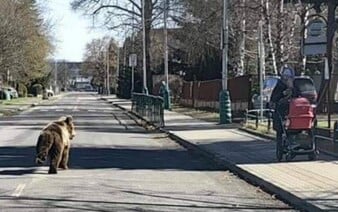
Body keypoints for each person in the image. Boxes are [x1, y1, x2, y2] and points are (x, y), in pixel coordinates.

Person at [270, 65, 295, 142]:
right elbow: (274, 97)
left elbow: (299, 95)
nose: (287, 78)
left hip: (293, 111)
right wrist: (282, 94)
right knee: (280, 128)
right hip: (282, 112)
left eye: (289, 77)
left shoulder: (295, 85)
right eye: (285, 76)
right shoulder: (279, 85)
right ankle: (280, 143)